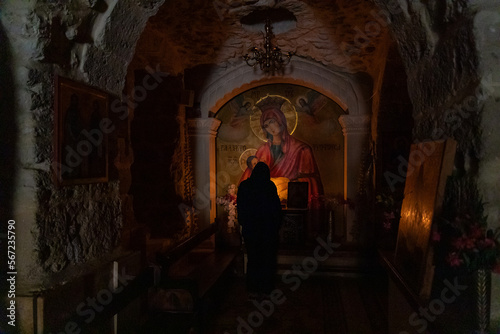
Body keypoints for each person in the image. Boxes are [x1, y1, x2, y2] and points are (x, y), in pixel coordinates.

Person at [239, 101, 324, 209]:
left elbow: (312, 182)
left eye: (272, 121)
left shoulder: (302, 149)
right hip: (265, 204)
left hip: (290, 200)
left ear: (280, 121)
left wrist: (289, 183)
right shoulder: (262, 150)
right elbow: (251, 175)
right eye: (266, 125)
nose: (270, 127)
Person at [237, 162, 282, 299]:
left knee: (253, 259)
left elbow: (241, 208)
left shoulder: (245, 186)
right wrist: (276, 226)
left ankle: (253, 288)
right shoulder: (269, 186)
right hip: (268, 231)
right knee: (267, 260)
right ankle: (266, 288)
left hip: (251, 230)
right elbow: (276, 209)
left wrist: (244, 224)